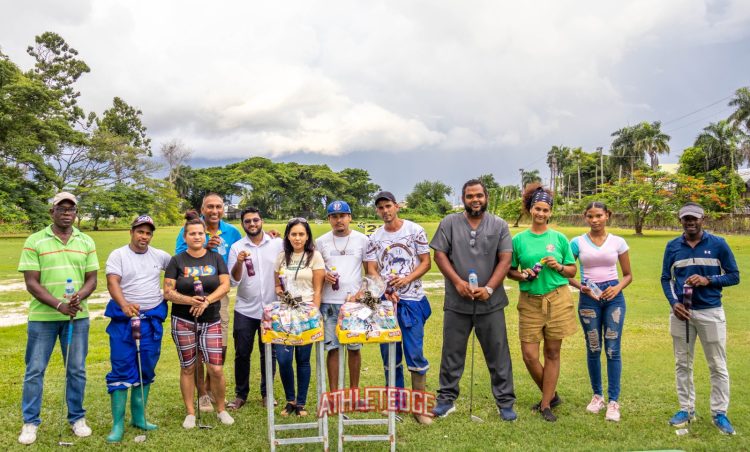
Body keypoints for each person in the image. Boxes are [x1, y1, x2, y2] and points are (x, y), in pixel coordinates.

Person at [430, 179, 517, 421]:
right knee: (452, 353)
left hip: (490, 302)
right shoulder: (449, 223)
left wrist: (489, 288)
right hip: (458, 302)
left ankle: (505, 402)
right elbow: (439, 255)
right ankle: (446, 400)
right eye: (470, 196)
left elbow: (505, 260)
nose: (475, 200)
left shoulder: (499, 225)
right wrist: (458, 283)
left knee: (498, 353)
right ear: (463, 199)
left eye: (479, 195)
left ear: (486, 197)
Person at [17, 192, 99, 445]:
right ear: (52, 212)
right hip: (43, 318)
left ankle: (77, 418)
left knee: (75, 370)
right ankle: (30, 422)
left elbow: (92, 280)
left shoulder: (85, 241)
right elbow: (31, 282)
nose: (66, 213)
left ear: (76, 213)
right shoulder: (35, 241)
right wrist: (58, 304)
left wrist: (78, 298)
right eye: (61, 208)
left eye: (71, 209)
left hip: (77, 316)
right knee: (35, 370)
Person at [660, 202, 739, 435]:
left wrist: (709, 280)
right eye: (686, 219)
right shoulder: (673, 246)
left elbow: (734, 276)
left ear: (703, 219)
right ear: (680, 220)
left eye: (694, 218)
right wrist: (674, 303)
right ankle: (686, 409)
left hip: (710, 312)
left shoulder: (718, 245)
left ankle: (719, 413)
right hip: (681, 313)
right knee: (682, 363)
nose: (690, 222)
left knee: (717, 364)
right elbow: (666, 279)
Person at [507, 184, 577, 422]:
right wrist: (523, 274)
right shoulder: (518, 240)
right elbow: (510, 271)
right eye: (537, 208)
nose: (541, 213)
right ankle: (553, 394)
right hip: (530, 301)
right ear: (530, 209)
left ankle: (546, 403)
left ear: (550, 212)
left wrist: (559, 266)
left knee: (552, 352)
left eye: (546, 210)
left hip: (557, 299)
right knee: (529, 354)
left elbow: (571, 269)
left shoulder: (559, 239)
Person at [365, 191, 433, 425]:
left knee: (414, 352)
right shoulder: (374, 237)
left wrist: (407, 279)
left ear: (397, 206)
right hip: (386, 302)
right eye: (380, 208)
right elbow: (372, 268)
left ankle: (419, 407)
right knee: (389, 354)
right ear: (377, 210)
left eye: (388, 206)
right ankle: (397, 402)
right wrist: (384, 286)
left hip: (412, 300)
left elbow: (426, 262)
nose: (385, 211)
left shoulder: (414, 230)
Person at [103, 215, 171, 442]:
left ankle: (139, 417)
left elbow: (181, 265)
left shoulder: (160, 256)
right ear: (131, 232)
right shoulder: (118, 255)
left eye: (148, 233)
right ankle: (118, 424)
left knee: (146, 368)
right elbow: (112, 282)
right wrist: (123, 305)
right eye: (140, 231)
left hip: (151, 321)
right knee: (122, 368)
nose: (144, 236)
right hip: (124, 322)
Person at [164, 211, 234, 428]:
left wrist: (206, 301)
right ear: (185, 237)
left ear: (205, 235)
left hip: (211, 319)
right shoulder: (177, 260)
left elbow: (225, 285)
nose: (196, 237)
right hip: (183, 320)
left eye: (200, 233)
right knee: (188, 367)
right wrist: (189, 300)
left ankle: (221, 409)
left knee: (216, 367)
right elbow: (168, 291)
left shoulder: (215, 258)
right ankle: (190, 412)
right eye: (192, 233)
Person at [175, 192, 241, 412]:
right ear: (202, 209)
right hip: (191, 295)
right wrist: (205, 246)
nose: (214, 211)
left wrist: (271, 238)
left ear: (223, 209)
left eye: (218, 207)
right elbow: (179, 260)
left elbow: (244, 250)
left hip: (218, 295)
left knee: (217, 344)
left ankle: (214, 389)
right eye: (210, 207)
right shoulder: (189, 231)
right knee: (195, 348)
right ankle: (202, 394)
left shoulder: (232, 232)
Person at [568, 202, 632, 423]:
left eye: (599, 215)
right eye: (590, 216)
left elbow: (628, 275)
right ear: (585, 217)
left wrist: (617, 287)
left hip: (614, 297)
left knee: (613, 348)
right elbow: (566, 271)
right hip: (589, 297)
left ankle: (614, 401)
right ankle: (598, 396)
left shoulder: (618, 242)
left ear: (607, 215)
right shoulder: (576, 243)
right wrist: (581, 287)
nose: (595, 220)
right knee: (594, 347)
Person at [226, 207, 283, 410]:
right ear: (243, 224)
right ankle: (241, 395)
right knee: (242, 352)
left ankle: (267, 394)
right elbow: (233, 280)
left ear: (262, 221)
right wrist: (239, 262)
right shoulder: (236, 247)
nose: (252, 224)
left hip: (271, 309)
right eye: (248, 221)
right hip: (245, 309)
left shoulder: (277, 244)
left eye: (255, 220)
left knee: (269, 352)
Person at [274, 217, 325, 417]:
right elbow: (277, 285)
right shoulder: (281, 257)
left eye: (301, 234)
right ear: (288, 236)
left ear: (307, 236)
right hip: (285, 314)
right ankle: (290, 400)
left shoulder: (315, 257)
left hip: (306, 313)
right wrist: (283, 294)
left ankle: (301, 403)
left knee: (303, 360)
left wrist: (314, 314)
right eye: (293, 234)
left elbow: (318, 290)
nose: (297, 238)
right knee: (284, 359)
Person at [316, 200, 367, 392]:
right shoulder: (321, 242)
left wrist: (361, 293)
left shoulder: (362, 239)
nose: (339, 220)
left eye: (342, 216)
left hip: (353, 304)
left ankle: (354, 391)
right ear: (329, 219)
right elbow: (315, 271)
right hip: (329, 302)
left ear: (350, 217)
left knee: (354, 348)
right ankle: (335, 393)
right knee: (333, 348)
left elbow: (370, 271)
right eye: (334, 217)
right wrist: (324, 275)